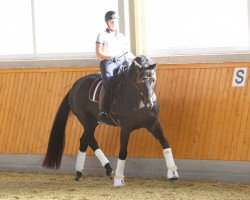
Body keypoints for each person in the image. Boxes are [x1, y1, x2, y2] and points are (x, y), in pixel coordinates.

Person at [96, 10, 135, 122]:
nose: (114, 24)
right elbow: (99, 53)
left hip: (122, 61)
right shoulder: (102, 35)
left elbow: (127, 52)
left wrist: (137, 59)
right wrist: (110, 57)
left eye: (115, 21)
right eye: (111, 22)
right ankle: (103, 111)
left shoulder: (122, 36)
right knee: (108, 84)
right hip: (108, 63)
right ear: (107, 23)